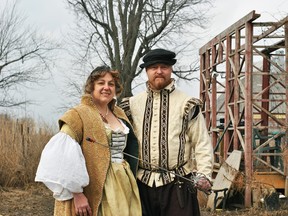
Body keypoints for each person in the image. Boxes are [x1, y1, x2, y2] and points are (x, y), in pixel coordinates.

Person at [35, 66, 142, 216]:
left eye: (111, 84)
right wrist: (77, 194)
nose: (106, 87)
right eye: (101, 83)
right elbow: (61, 155)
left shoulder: (119, 113)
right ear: (91, 86)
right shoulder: (78, 114)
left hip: (122, 184)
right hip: (95, 186)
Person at [120, 48, 213, 216]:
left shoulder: (187, 103)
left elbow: (201, 142)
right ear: (146, 71)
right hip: (141, 185)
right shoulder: (132, 105)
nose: (159, 71)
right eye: (154, 67)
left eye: (164, 67)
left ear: (171, 69)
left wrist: (204, 174)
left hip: (178, 184)